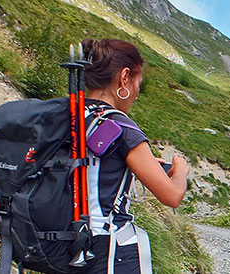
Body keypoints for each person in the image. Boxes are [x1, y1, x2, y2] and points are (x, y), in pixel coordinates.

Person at [72, 38, 188, 273]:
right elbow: (172, 196)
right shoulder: (120, 127)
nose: (136, 94)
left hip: (61, 244)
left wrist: (126, 166)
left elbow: (83, 167)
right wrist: (181, 172)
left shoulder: (70, 114)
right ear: (124, 77)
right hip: (105, 251)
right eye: (138, 83)